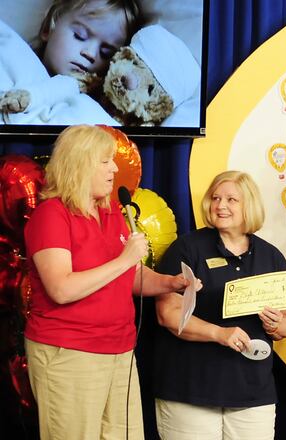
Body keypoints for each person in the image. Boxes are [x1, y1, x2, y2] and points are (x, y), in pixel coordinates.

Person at [23, 124, 193, 440]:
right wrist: (125, 260)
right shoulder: (52, 215)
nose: (115, 168)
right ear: (79, 163)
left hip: (120, 350)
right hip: (70, 352)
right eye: (105, 161)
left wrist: (170, 283)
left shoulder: (112, 211)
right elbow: (62, 289)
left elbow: (127, 277)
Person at [152, 170, 286, 440]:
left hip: (252, 392)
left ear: (249, 205)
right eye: (216, 198)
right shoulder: (187, 248)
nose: (220, 205)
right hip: (191, 389)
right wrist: (219, 334)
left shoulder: (270, 256)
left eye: (232, 199)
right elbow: (167, 314)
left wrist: (277, 324)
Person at [0, 0, 140, 123]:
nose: (90, 54)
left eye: (106, 53)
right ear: (48, 28)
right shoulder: (12, 52)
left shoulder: (92, 112)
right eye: (80, 35)